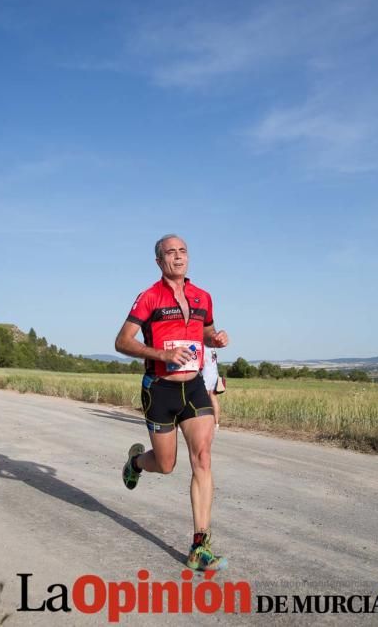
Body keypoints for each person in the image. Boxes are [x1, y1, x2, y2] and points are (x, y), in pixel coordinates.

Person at [115, 234, 229, 570]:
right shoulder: (149, 297)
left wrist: (216, 337)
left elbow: (204, 332)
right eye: (170, 253)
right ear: (158, 261)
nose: (178, 257)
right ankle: (136, 462)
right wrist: (161, 354)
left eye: (182, 251)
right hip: (160, 389)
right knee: (166, 465)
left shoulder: (202, 296)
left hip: (193, 387)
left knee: (203, 458)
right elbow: (122, 341)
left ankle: (200, 546)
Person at [202, 348, 224, 433]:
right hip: (214, 374)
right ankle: (216, 424)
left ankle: (205, 424)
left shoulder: (203, 346)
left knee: (204, 400)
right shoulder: (213, 348)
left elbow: (202, 361)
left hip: (205, 374)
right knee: (213, 399)